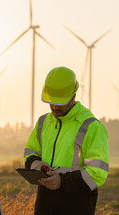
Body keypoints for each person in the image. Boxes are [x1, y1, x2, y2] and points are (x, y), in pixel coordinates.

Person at [24, 66, 109, 215]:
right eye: (51, 101)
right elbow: (31, 151)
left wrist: (62, 181)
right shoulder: (43, 122)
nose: (55, 107)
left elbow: (98, 172)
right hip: (44, 205)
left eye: (60, 102)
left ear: (73, 96)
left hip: (76, 206)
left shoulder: (91, 127)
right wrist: (35, 163)